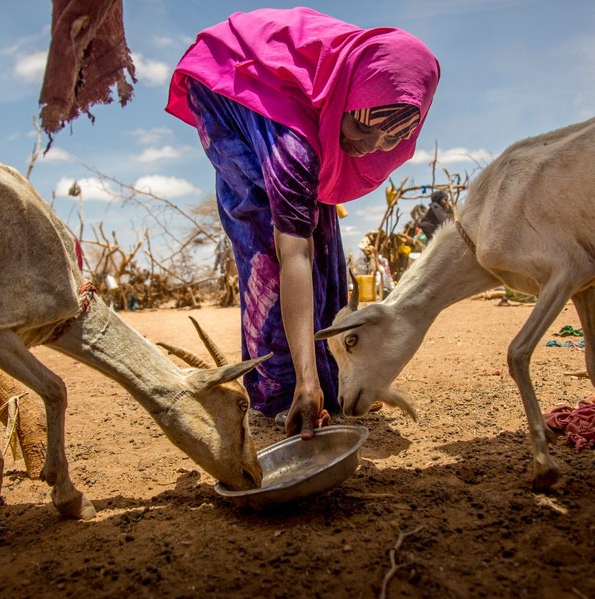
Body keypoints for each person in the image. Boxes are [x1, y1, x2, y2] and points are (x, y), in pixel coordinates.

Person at [166, 7, 439, 438]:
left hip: (300, 95)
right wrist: (305, 382)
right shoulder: (294, 145)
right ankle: (281, 388)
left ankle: (324, 380)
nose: (369, 147)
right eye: (363, 128)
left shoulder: (353, 90)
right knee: (267, 232)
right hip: (230, 75)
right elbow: (293, 252)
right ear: (347, 98)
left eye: (388, 140)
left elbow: (312, 237)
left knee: (318, 224)